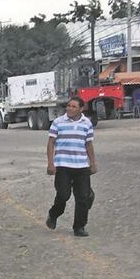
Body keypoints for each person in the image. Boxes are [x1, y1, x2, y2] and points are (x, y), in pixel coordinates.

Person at [45, 96, 97, 237]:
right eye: (68, 105)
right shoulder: (58, 122)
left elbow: (89, 144)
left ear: (81, 109)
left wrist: (92, 163)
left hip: (81, 166)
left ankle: (79, 227)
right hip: (62, 165)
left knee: (82, 198)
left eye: (74, 106)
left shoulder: (87, 123)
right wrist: (50, 163)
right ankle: (54, 213)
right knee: (63, 195)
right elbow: (51, 142)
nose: (69, 108)